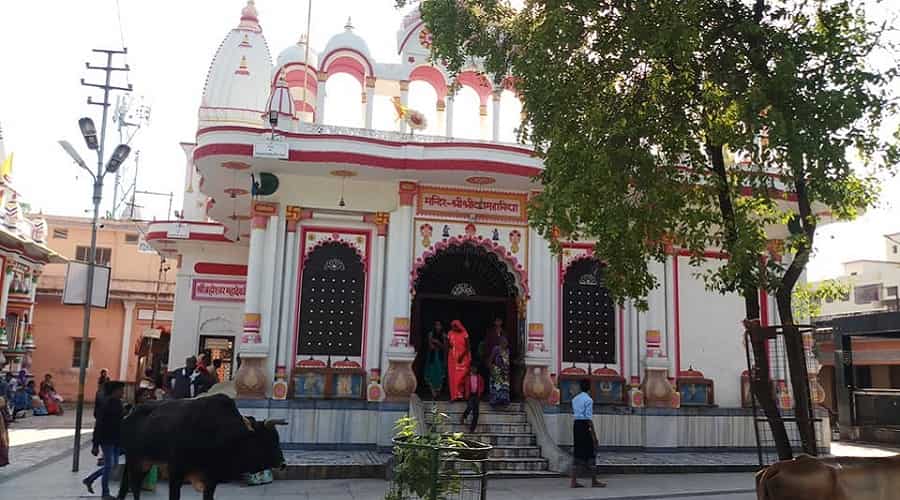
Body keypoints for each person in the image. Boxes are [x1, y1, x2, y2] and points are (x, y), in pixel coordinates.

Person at [83, 381, 125, 499]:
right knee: (109, 465)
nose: (122, 392)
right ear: (115, 391)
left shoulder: (119, 403)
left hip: (117, 439)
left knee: (113, 465)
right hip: (106, 439)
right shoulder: (106, 404)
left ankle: (90, 479)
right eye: (121, 390)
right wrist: (95, 444)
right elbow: (99, 424)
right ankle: (105, 493)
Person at [570, 379, 605, 488]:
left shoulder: (575, 399)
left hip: (576, 425)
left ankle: (573, 481)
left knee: (578, 453)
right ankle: (594, 481)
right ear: (589, 388)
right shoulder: (589, 400)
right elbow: (589, 419)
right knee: (591, 454)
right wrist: (594, 437)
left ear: (580, 387)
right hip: (585, 426)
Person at [447, 320, 471, 401]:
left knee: (461, 377)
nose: (454, 328)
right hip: (452, 358)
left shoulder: (464, 333)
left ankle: (461, 394)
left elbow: (468, 347)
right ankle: (454, 396)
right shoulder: (450, 333)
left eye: (455, 326)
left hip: (463, 358)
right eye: (453, 326)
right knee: (453, 377)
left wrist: (462, 356)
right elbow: (448, 345)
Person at [423, 320, 447, 399]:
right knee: (431, 373)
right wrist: (433, 342)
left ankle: (438, 392)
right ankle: (433, 393)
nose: (438, 327)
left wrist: (437, 342)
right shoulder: (430, 334)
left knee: (440, 374)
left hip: (440, 357)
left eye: (439, 325)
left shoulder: (443, 335)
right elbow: (430, 346)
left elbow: (445, 347)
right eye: (436, 325)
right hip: (432, 356)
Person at [460, 365, 484, 433]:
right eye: (472, 368)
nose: (474, 369)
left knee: (476, 413)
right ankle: (464, 416)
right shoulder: (467, 377)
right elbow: (462, 385)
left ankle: (472, 429)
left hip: (476, 395)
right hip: (469, 395)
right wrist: (463, 392)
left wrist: (480, 392)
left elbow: (482, 385)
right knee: (470, 406)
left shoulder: (479, 377)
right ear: (470, 369)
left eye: (475, 368)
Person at [489, 336, 511, 407]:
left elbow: (507, 362)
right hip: (497, 371)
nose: (505, 343)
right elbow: (490, 360)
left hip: (505, 372)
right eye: (503, 342)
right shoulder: (496, 349)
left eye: (506, 342)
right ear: (500, 342)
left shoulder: (507, 350)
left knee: (504, 388)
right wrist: (492, 368)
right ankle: (495, 402)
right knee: (497, 387)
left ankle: (504, 402)